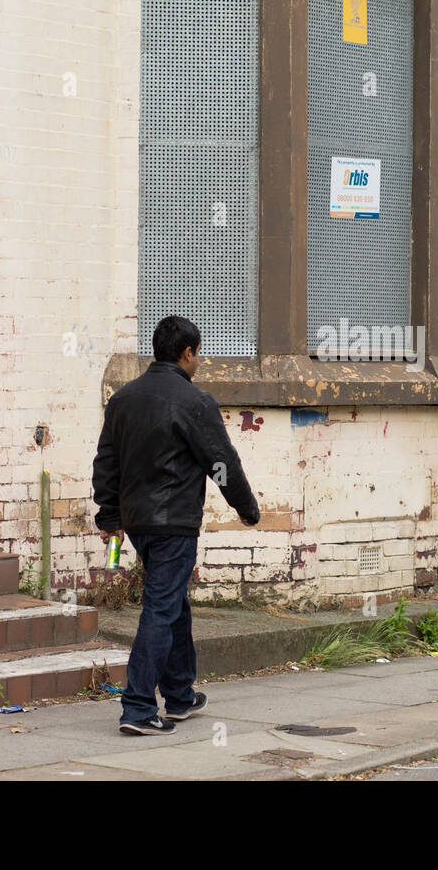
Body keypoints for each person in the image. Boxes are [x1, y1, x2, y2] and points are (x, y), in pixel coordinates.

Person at [92, 315, 260, 735]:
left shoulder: (123, 398)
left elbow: (106, 461)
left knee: (173, 604)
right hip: (174, 522)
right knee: (161, 608)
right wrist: (245, 507)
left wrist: (109, 515)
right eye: (198, 353)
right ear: (187, 353)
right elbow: (220, 462)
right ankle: (137, 708)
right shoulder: (193, 400)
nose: (198, 360)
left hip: (138, 522)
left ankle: (180, 695)